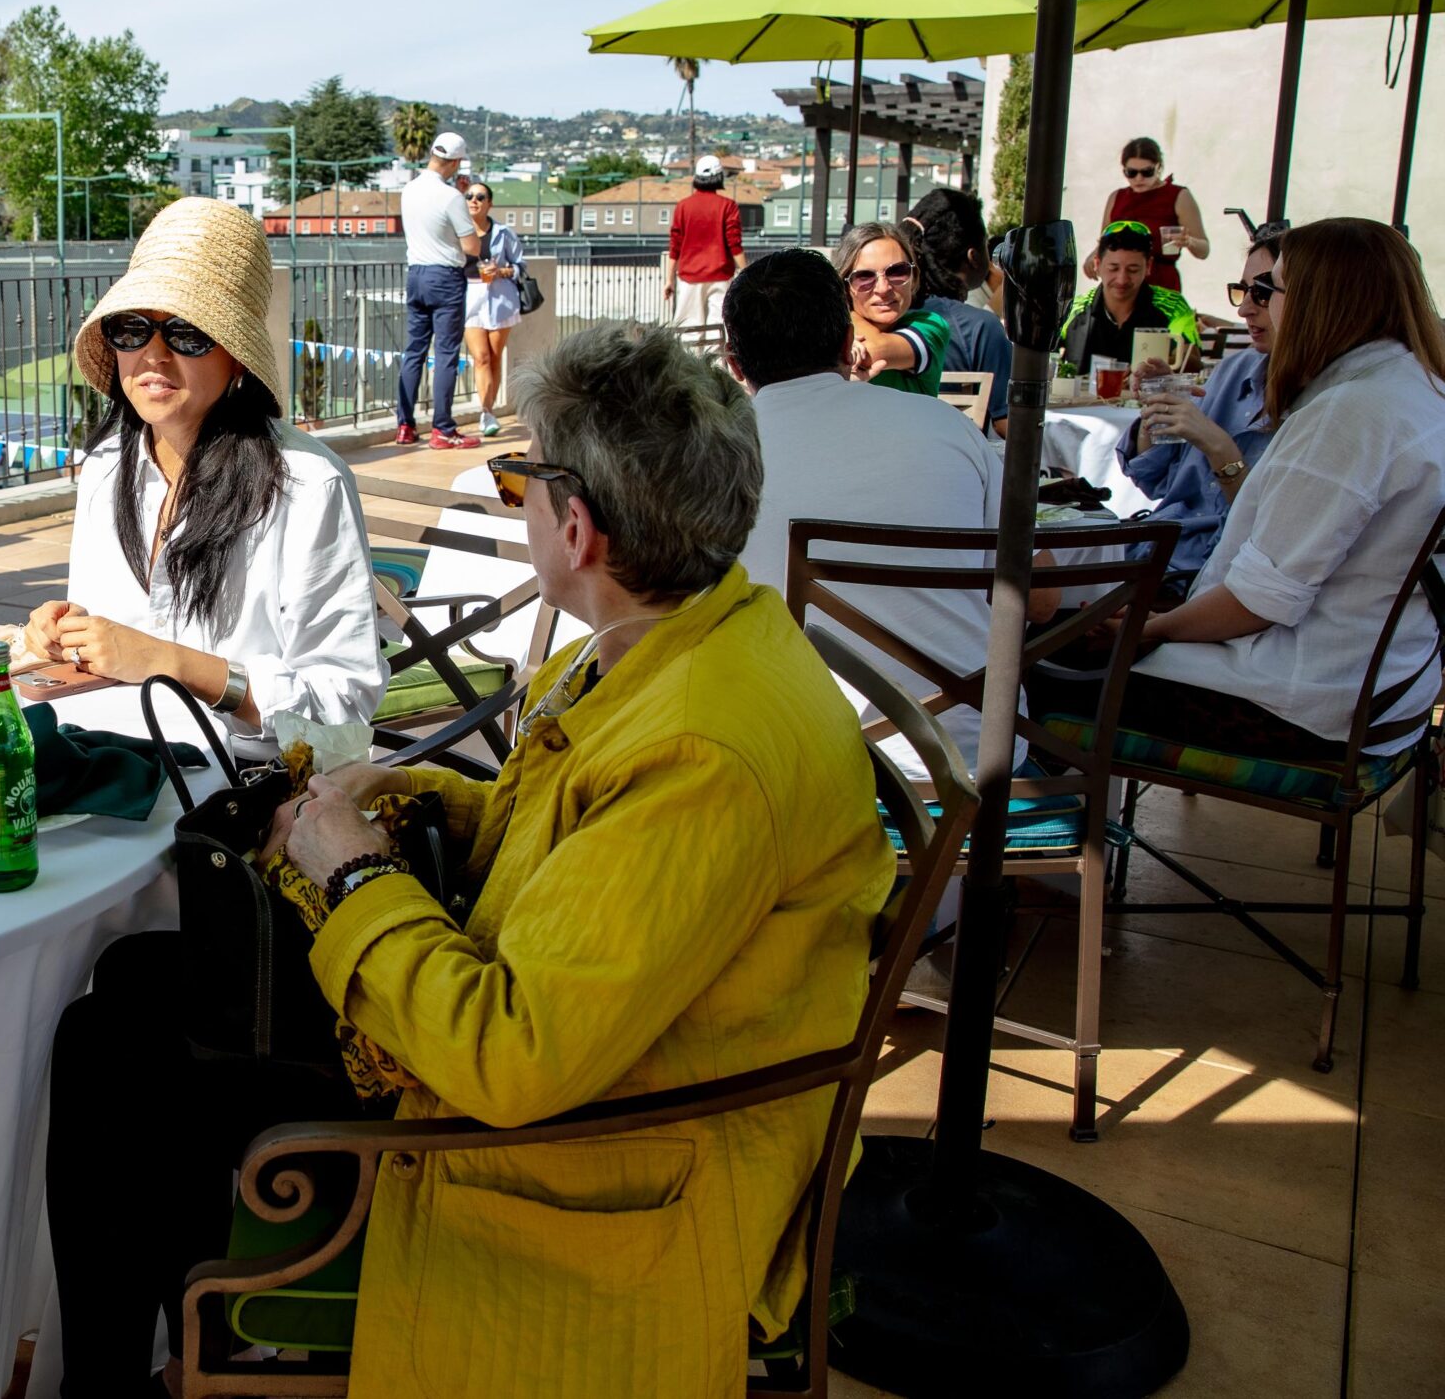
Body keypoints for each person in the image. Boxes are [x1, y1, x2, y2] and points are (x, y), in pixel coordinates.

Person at [46, 325, 893, 1399]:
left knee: (122, 1058)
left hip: (592, 1156)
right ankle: (146, 1359)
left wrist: (355, 874)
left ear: (574, 527)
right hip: (606, 1059)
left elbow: (508, 1057)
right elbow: (588, 835)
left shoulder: (700, 751)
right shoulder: (691, 640)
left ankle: (158, 1357)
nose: (516, 502)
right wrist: (416, 793)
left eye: (516, 478)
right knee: (129, 1002)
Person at [1039, 217, 1445, 763]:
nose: (1251, 306)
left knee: (1016, 673)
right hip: (1385, 688)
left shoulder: (1352, 414)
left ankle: (1044, 837)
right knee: (1061, 638)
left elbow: (1260, 600)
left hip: (1304, 705)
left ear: (1319, 300)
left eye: (1267, 290)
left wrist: (1150, 629)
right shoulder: (1417, 389)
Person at [26, 196, 386, 755]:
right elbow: (107, 647)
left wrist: (174, 665)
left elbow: (344, 706)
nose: (154, 356)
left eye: (188, 333)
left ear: (238, 358)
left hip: (250, 788)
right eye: (131, 329)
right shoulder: (104, 469)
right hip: (115, 760)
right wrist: (65, 636)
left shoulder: (308, 486)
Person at [723, 248, 1016, 772]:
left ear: (733, 365)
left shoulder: (715, 457)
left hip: (802, 768)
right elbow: (1040, 601)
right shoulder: (949, 427)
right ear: (845, 343)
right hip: (976, 760)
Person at [1119, 225, 1281, 598]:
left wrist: (1217, 446)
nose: (1243, 308)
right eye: (1242, 291)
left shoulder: (1324, 404)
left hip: (1201, 582)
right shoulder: (1233, 371)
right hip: (1150, 556)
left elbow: (1269, 533)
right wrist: (1156, 411)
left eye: (1263, 292)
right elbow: (1154, 480)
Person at [394, 131, 484, 449]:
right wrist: (461, 202)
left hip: (415, 274)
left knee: (413, 352)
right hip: (445, 277)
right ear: (456, 162)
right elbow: (471, 246)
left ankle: (404, 425)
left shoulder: (410, 190)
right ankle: (443, 429)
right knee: (446, 354)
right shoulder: (451, 198)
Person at [905, 186, 1013, 434]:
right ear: (974, 256)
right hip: (954, 462)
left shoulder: (877, 321)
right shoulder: (979, 328)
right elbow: (1010, 427)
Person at [1060, 222, 1200, 371]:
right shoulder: (1074, 308)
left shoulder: (1172, 305)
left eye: (1133, 270)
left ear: (1149, 267)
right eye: (1113, 268)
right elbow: (1042, 355)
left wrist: (1156, 366)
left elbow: (1193, 360)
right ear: (1097, 265)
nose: (1122, 279)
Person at [835, 220, 952, 396]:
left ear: (914, 276)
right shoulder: (832, 333)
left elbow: (872, 351)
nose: (883, 288)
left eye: (897, 272)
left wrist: (839, 343)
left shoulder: (931, 325)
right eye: (864, 277)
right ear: (846, 286)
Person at [1099, 135, 1210, 290]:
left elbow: (1204, 250)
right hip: (1121, 282)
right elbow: (1103, 241)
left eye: (1147, 172)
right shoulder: (1117, 197)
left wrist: (1188, 241)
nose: (1139, 178)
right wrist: (1093, 257)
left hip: (1160, 282)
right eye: (1131, 172)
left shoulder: (1178, 196)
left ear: (1159, 167)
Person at [461, 181, 527, 437]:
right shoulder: (459, 233)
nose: (474, 200)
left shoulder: (503, 232)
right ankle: (485, 411)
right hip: (470, 297)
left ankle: (488, 411)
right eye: (469, 196)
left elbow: (521, 266)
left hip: (500, 298)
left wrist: (500, 271)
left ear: (490, 203)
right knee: (481, 357)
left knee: (495, 356)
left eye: (480, 196)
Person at [666, 152, 745, 327]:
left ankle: (688, 356)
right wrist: (747, 272)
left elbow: (675, 245)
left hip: (689, 276)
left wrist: (669, 279)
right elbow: (735, 244)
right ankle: (716, 356)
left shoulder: (683, 207)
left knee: (688, 329)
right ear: (719, 177)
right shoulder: (728, 206)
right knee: (719, 328)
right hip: (721, 274)